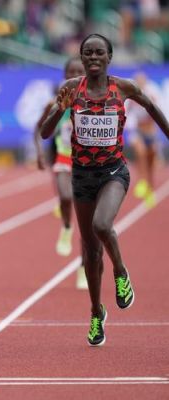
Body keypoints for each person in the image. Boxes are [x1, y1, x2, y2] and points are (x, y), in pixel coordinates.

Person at [39, 33, 169, 346]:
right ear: (82, 59)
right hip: (82, 175)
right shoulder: (71, 89)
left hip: (113, 171)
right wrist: (61, 109)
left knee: (102, 225)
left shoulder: (122, 87)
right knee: (91, 251)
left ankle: (121, 272)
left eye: (99, 53)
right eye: (88, 53)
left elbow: (151, 107)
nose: (93, 58)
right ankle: (97, 312)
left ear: (109, 57)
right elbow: (45, 132)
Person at [34, 57, 88, 290]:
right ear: (64, 75)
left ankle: (84, 268)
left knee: (89, 225)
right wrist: (39, 153)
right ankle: (66, 226)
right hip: (65, 158)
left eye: (79, 71)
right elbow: (38, 129)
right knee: (65, 197)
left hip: (89, 163)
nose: (74, 75)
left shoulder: (94, 100)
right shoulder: (55, 102)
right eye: (70, 72)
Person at [126, 71, 159, 208]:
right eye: (137, 82)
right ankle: (142, 181)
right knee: (140, 152)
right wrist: (128, 126)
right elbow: (126, 112)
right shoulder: (131, 95)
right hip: (137, 130)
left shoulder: (152, 91)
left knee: (151, 158)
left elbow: (159, 110)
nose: (139, 84)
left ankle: (150, 187)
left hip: (150, 130)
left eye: (142, 81)